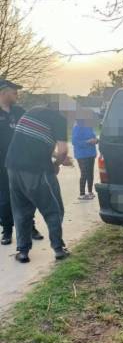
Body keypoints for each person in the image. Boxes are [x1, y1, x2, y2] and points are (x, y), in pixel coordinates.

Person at [5, 105, 72, 263]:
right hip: (37, 170)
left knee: (21, 210)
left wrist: (55, 156)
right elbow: (63, 151)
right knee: (53, 209)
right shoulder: (60, 119)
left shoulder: (32, 111)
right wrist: (57, 164)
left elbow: (33, 143)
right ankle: (58, 249)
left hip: (13, 167)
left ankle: (23, 252)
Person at [0, 79, 44, 246]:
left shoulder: (20, 112)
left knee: (27, 196)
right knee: (4, 199)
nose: (17, 94)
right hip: (2, 166)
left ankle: (29, 227)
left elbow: (33, 134)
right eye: (14, 91)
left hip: (22, 163)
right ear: (3, 92)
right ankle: (7, 230)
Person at [72, 118, 98, 200]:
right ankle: (82, 194)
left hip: (91, 153)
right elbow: (74, 141)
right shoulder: (77, 127)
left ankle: (90, 192)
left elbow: (94, 137)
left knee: (90, 173)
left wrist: (96, 140)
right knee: (84, 173)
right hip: (82, 155)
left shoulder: (89, 126)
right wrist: (87, 142)